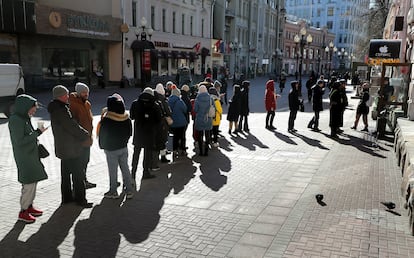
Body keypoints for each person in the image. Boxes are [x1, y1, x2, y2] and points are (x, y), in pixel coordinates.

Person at [47, 85, 92, 208]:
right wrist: (84, 134)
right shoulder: (61, 109)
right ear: (60, 96)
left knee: (66, 174)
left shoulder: (57, 107)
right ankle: (81, 199)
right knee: (78, 174)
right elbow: (71, 126)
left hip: (63, 147)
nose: (68, 96)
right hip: (70, 147)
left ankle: (67, 198)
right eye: (66, 94)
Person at [9, 94, 48, 223]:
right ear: (25, 107)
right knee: (29, 183)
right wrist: (37, 133)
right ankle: (23, 211)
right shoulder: (16, 120)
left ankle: (29, 206)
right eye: (33, 108)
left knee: (33, 181)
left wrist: (37, 133)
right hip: (24, 156)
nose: (34, 110)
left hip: (31, 154)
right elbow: (19, 141)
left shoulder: (24, 118)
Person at [98, 94, 134, 199]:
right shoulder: (126, 117)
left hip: (111, 149)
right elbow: (129, 132)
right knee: (125, 169)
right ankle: (129, 190)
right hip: (123, 147)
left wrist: (102, 146)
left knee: (112, 171)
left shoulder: (107, 119)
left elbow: (102, 135)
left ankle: (113, 191)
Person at [68, 82, 96, 189]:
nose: (86, 94)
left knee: (85, 161)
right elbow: (73, 124)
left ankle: (84, 181)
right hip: (79, 140)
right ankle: (78, 184)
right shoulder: (73, 104)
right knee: (79, 164)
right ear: (79, 93)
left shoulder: (87, 104)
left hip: (87, 139)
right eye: (84, 92)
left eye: (87, 92)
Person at [130, 87, 162, 180]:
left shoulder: (135, 103)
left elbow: (132, 116)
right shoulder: (155, 104)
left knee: (136, 153)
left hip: (138, 132)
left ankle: (133, 172)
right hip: (149, 133)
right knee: (147, 154)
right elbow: (159, 120)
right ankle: (145, 172)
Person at [168, 87, 189, 159]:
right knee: (182, 136)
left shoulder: (168, 101)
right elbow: (185, 109)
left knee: (174, 137)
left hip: (172, 123)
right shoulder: (180, 101)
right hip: (181, 122)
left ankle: (174, 150)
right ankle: (183, 149)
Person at [154, 83, 172, 164]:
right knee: (163, 139)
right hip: (162, 122)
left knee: (157, 139)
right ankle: (163, 156)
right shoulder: (163, 99)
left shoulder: (153, 98)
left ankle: (156, 156)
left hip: (155, 123)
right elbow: (167, 111)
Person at [194, 85, 213, 156]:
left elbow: (195, 110)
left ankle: (201, 151)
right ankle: (206, 151)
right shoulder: (210, 98)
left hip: (200, 119)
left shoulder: (197, 99)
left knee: (200, 135)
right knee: (207, 135)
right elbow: (213, 107)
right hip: (208, 118)